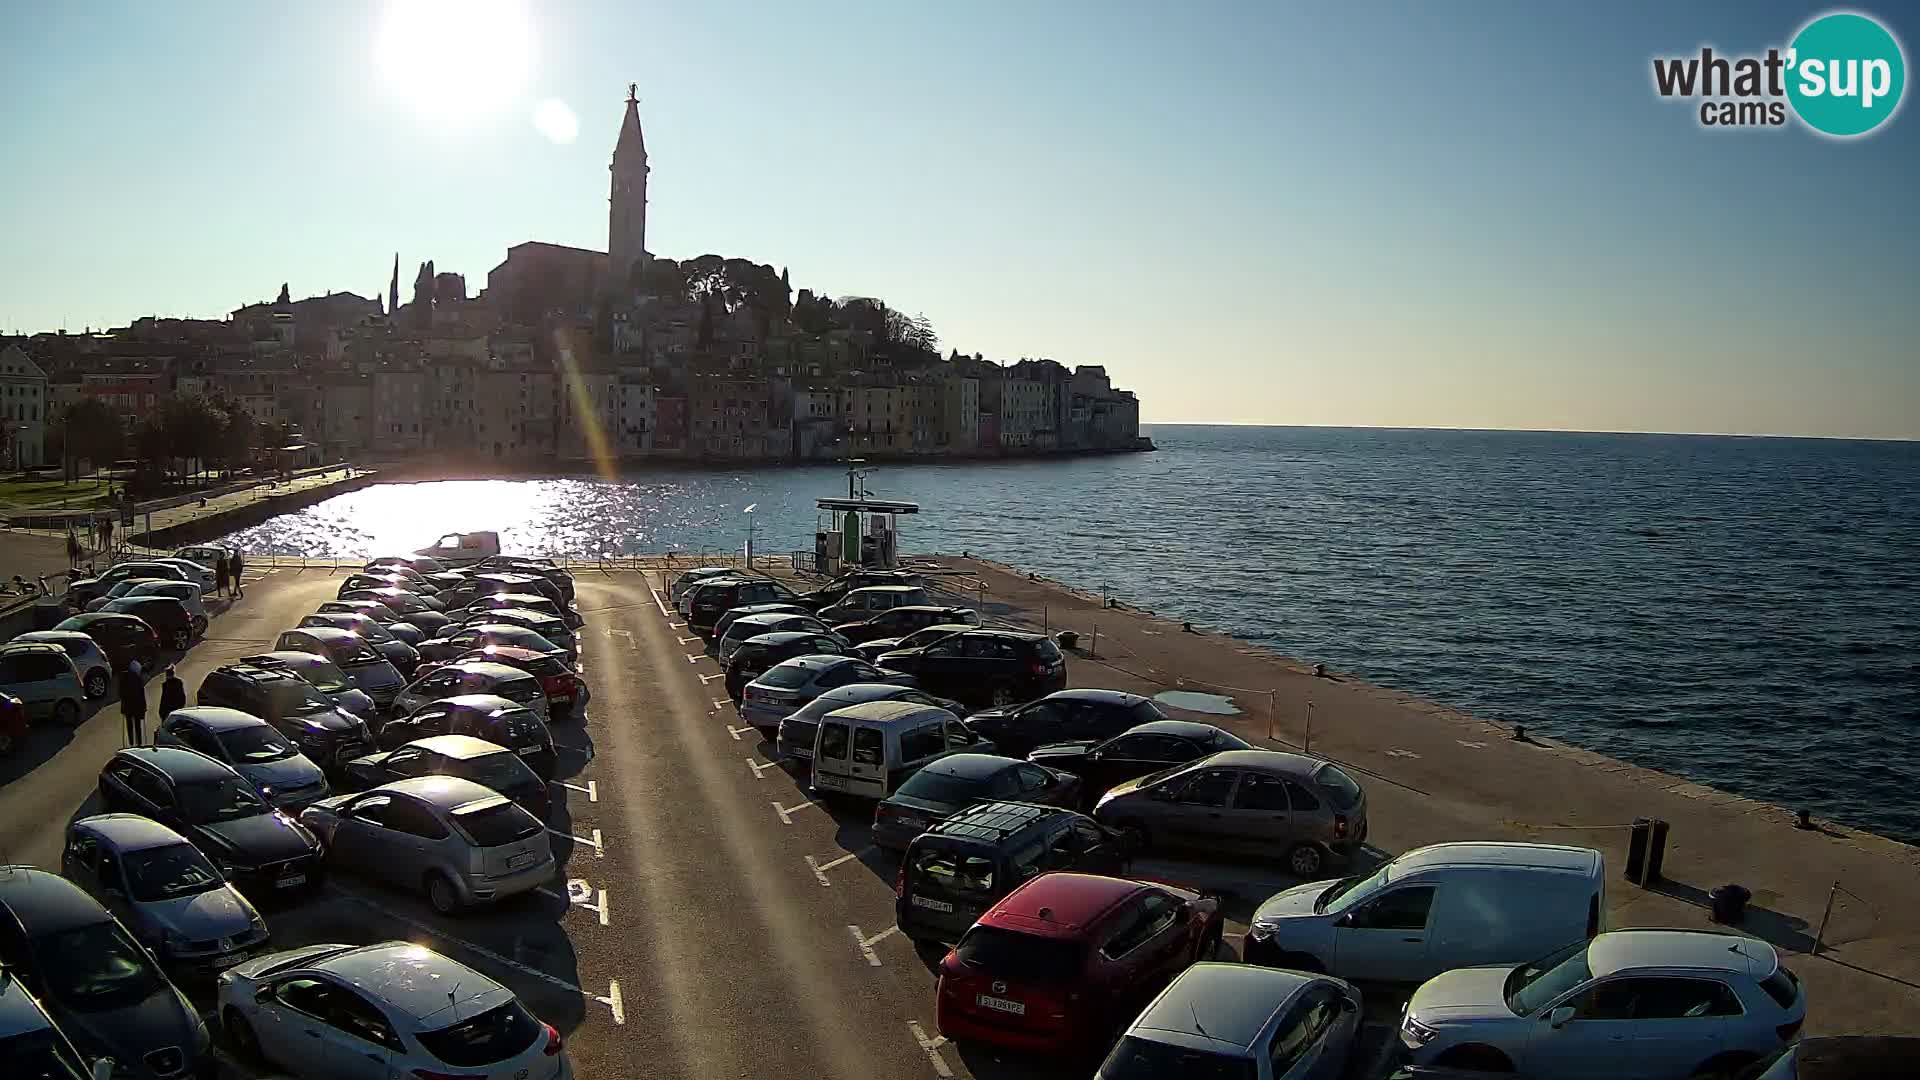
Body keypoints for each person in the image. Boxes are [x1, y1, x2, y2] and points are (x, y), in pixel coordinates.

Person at [118, 660, 147, 746]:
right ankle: (139, 744)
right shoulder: (138, 679)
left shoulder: (123, 678)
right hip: (137, 707)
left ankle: (131, 743)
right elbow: (142, 695)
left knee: (129, 726)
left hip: (127, 707)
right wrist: (144, 708)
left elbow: (120, 694)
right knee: (137, 726)